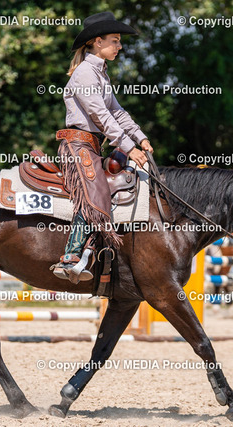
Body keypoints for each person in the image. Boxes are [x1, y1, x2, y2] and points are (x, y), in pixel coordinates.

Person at [51, 12, 153, 283]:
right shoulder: (85, 73)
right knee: (94, 192)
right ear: (98, 41)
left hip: (92, 145)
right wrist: (128, 147)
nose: (120, 46)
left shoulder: (100, 73)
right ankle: (71, 256)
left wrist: (140, 137)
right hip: (78, 145)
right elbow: (100, 115)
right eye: (115, 40)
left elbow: (117, 112)